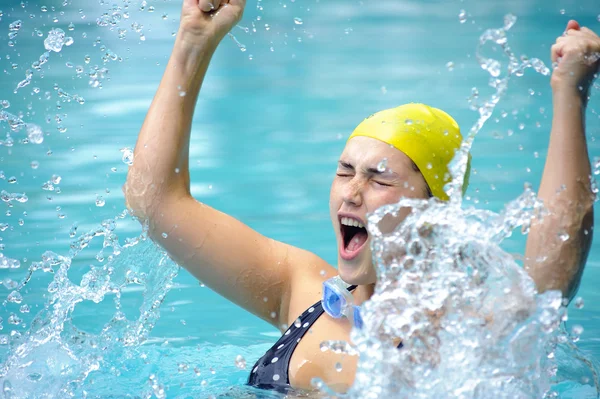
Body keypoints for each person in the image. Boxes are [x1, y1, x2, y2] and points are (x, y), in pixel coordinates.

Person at [123, 0, 599, 394]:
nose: (351, 192)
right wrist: (193, 44)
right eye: (344, 171)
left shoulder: (467, 327)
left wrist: (569, 93)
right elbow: (155, 203)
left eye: (379, 179)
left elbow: (548, 278)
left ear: (432, 211)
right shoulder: (301, 287)